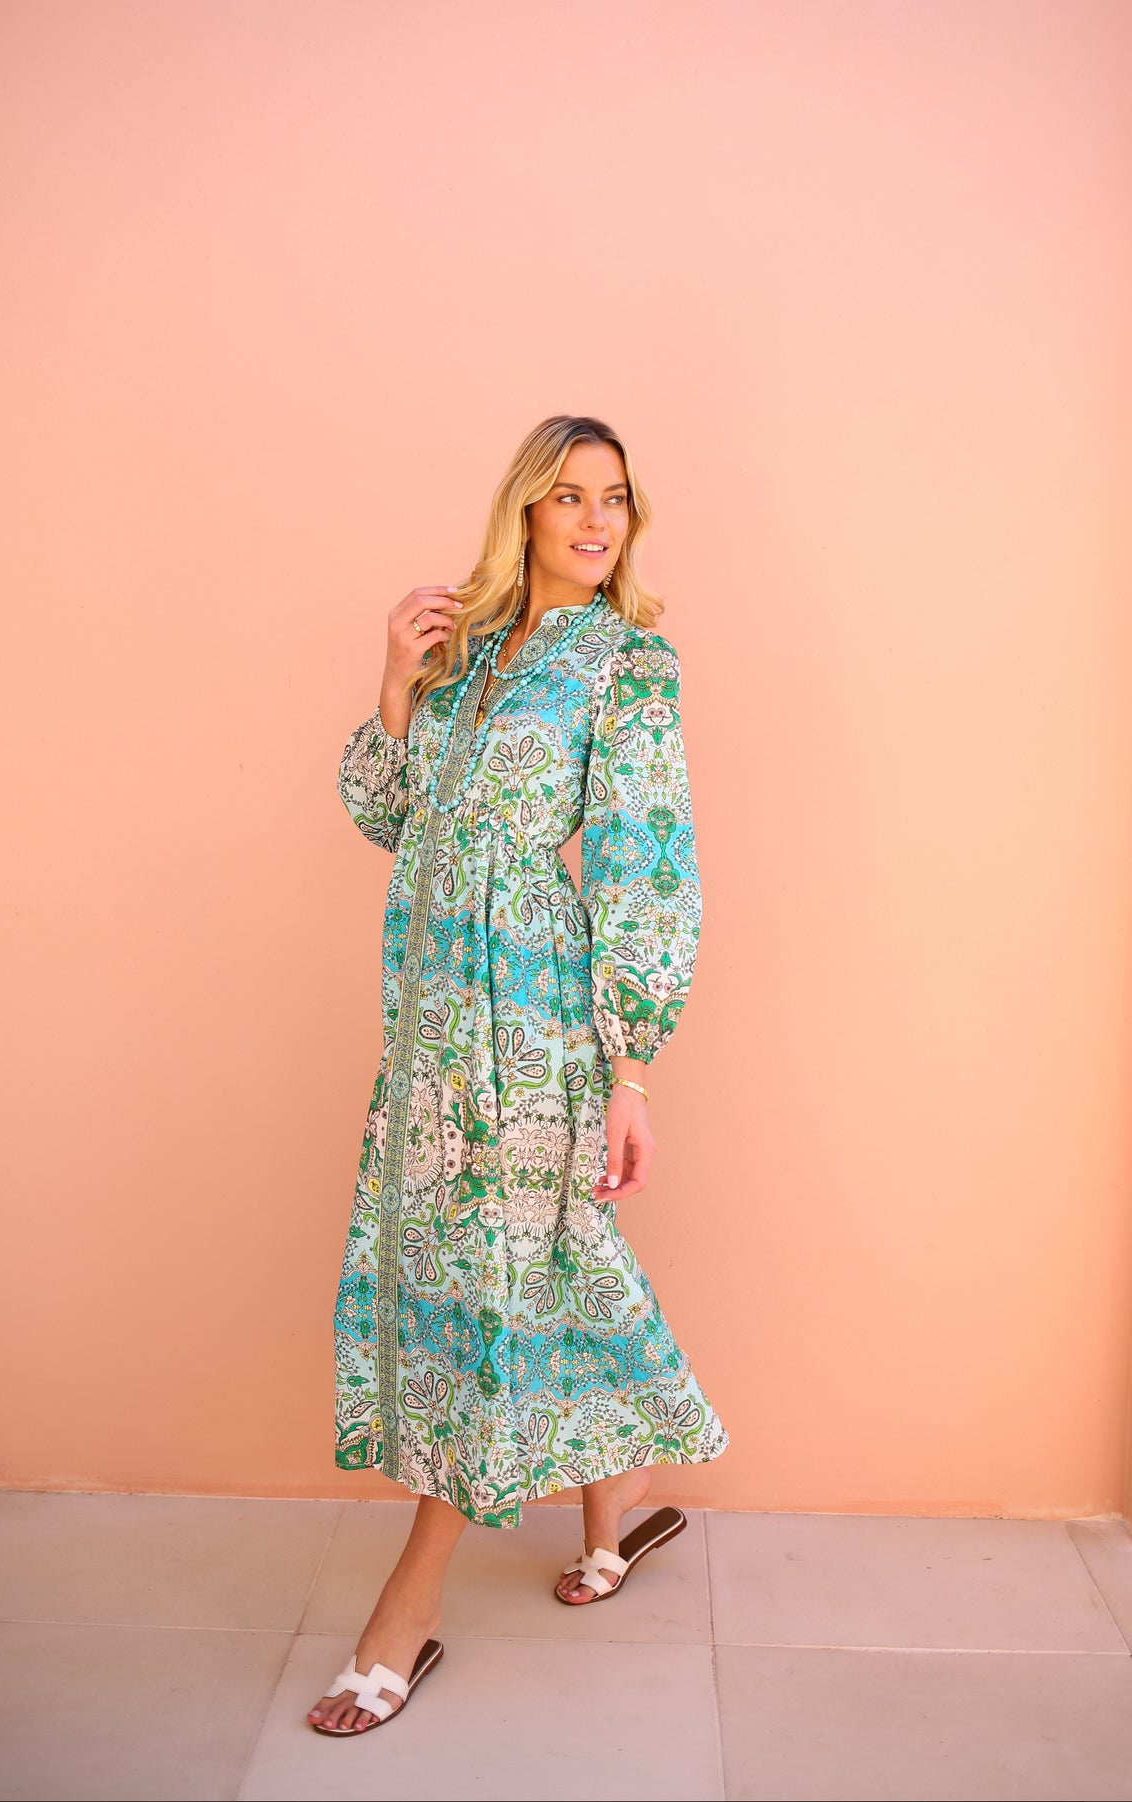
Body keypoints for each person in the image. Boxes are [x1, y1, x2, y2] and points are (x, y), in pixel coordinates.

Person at [309, 414, 728, 1737]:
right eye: (569, 499)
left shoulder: (629, 666)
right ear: (526, 516)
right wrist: (394, 678)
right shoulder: (472, 649)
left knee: (492, 1283)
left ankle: (406, 1612)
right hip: (428, 1020)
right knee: (539, 1256)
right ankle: (612, 1517)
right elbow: (393, 816)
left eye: (615, 500)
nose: (597, 522)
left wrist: (631, 1067)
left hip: (531, 1021)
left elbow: (649, 865)